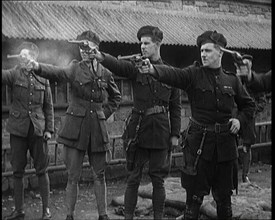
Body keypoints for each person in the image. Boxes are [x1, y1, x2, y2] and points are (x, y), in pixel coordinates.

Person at [139, 30, 256, 219]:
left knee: (224, 202)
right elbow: (174, 75)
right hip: (199, 148)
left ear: (220, 53)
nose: (203, 54)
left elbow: (249, 105)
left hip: (226, 150)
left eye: (208, 51)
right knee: (193, 202)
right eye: (201, 50)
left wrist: (239, 120)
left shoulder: (231, 80)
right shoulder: (193, 74)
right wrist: (153, 70)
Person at [29, 31, 121, 220]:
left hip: (97, 128)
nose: (84, 51)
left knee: (100, 174)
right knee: (73, 175)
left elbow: (116, 97)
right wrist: (37, 66)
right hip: (75, 127)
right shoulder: (74, 68)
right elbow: (56, 72)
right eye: (81, 47)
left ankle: (103, 215)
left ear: (96, 48)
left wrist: (103, 115)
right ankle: (69, 215)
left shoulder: (105, 71)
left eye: (88, 46)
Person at [93, 25, 182, 219]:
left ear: (158, 44)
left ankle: (158, 217)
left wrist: (175, 134)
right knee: (133, 178)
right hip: (138, 131)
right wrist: (101, 57)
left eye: (146, 43)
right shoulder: (136, 68)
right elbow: (118, 66)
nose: (142, 47)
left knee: (158, 180)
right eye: (140, 43)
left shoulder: (171, 73)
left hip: (160, 131)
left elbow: (176, 107)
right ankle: (128, 217)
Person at [2, 42, 54, 220]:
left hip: (38, 130)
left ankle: (46, 210)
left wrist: (49, 129)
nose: (21, 58)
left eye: (25, 55)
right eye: (20, 55)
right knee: (17, 171)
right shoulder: (15, 73)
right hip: (18, 130)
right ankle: (19, 210)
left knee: (42, 170)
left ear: (33, 57)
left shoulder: (43, 76)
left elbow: (49, 106)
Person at [235, 74, 267, 183]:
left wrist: (252, 111)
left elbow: (262, 102)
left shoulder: (256, 84)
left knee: (246, 147)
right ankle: (231, 175)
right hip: (234, 117)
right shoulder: (234, 81)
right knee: (230, 145)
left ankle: (245, 175)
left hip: (248, 119)